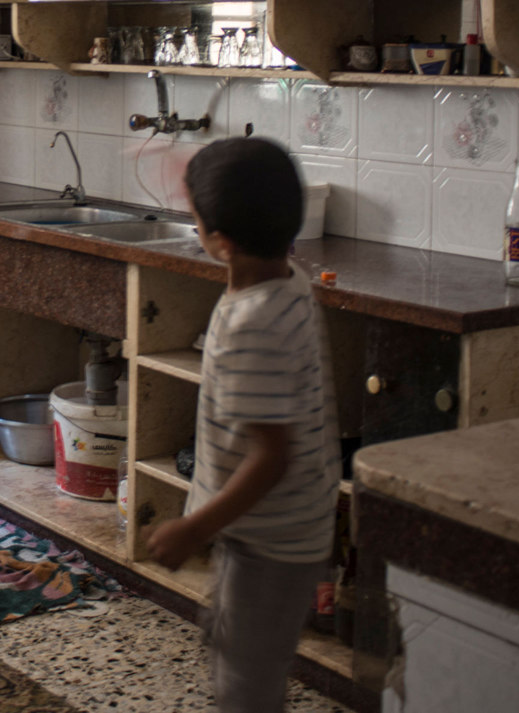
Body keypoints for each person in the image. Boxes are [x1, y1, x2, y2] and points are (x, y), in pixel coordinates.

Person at [146, 137, 340, 713]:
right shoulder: (288, 283)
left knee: (246, 686)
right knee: (237, 644)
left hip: (269, 540)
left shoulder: (251, 326)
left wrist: (192, 527)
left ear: (220, 242)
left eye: (196, 218)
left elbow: (270, 457)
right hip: (285, 529)